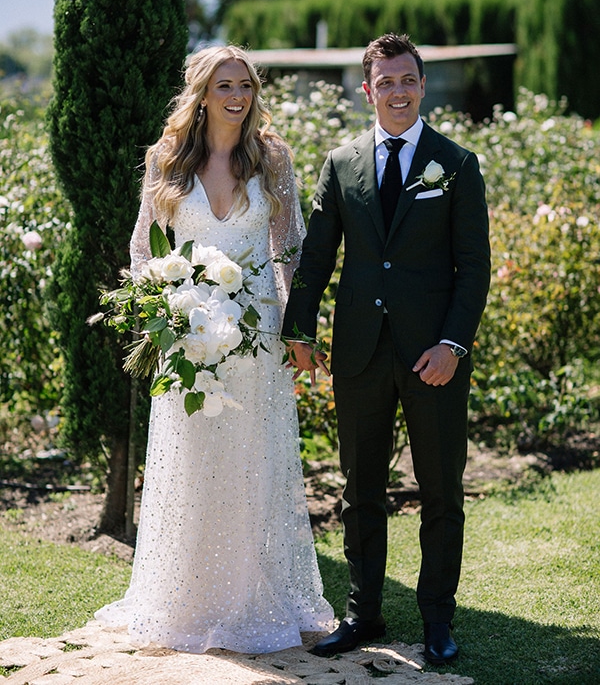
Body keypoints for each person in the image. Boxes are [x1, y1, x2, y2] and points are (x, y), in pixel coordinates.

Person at [96, 44, 333, 653]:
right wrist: (160, 317)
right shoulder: (167, 158)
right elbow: (142, 249)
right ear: (201, 94)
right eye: (224, 85)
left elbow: (293, 249)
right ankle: (186, 597)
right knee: (193, 464)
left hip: (256, 342)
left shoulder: (272, 158)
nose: (236, 96)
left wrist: (295, 328)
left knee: (256, 463)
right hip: (188, 342)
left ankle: (254, 594)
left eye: (245, 86)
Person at [282, 33, 490, 665]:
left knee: (441, 491)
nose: (397, 92)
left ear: (422, 86)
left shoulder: (455, 164)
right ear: (368, 90)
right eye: (386, 82)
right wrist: (300, 330)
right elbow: (317, 255)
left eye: (408, 80)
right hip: (361, 354)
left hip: (434, 359)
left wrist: (453, 344)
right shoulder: (341, 163)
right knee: (359, 490)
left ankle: (437, 621)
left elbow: (473, 268)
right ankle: (362, 612)